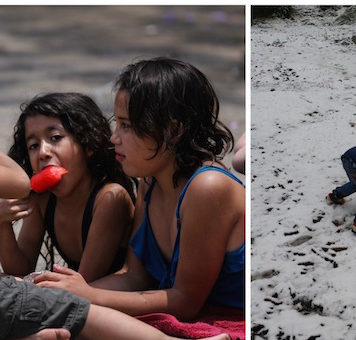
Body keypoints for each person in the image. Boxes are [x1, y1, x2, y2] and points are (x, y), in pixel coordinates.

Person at [0, 56, 230, 340]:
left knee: (30, 300)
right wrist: (0, 220)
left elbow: (81, 291)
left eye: (126, 126)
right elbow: (20, 189)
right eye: (33, 145)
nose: (115, 138)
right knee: (14, 295)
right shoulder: (143, 186)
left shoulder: (116, 198)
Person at [34, 57, 245, 322]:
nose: (114, 138)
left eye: (127, 125)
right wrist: (54, 293)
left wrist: (88, 294)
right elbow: (134, 276)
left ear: (173, 130)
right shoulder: (151, 182)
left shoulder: (207, 187)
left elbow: (185, 301)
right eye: (117, 123)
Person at [0, 92, 135, 282]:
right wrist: (0, 223)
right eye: (34, 145)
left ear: (88, 145)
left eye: (55, 138)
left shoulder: (110, 199)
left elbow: (83, 283)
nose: (43, 152)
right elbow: (19, 269)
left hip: (105, 294)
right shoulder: (42, 200)